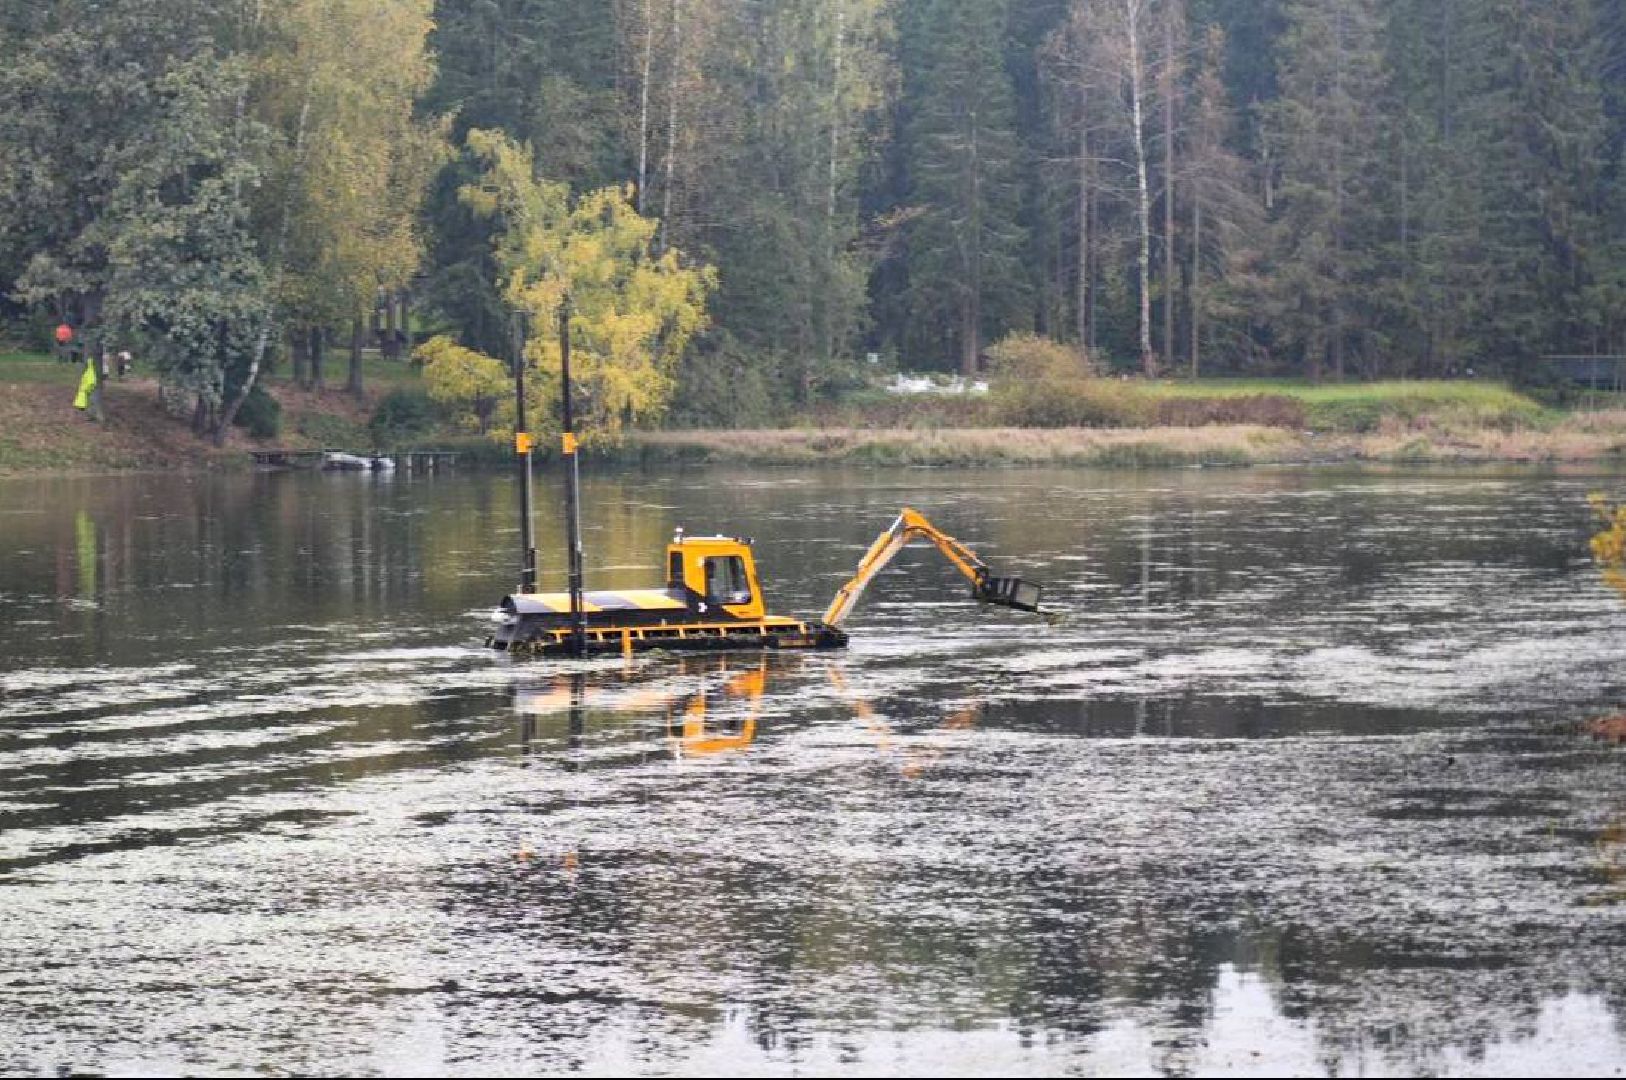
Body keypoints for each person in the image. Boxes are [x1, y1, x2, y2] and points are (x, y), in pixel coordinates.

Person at [72, 354, 99, 421]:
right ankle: (90, 415)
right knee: (88, 402)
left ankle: (92, 416)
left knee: (91, 403)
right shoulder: (88, 370)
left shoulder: (90, 371)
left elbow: (91, 381)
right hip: (87, 389)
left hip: (88, 389)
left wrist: (87, 389)